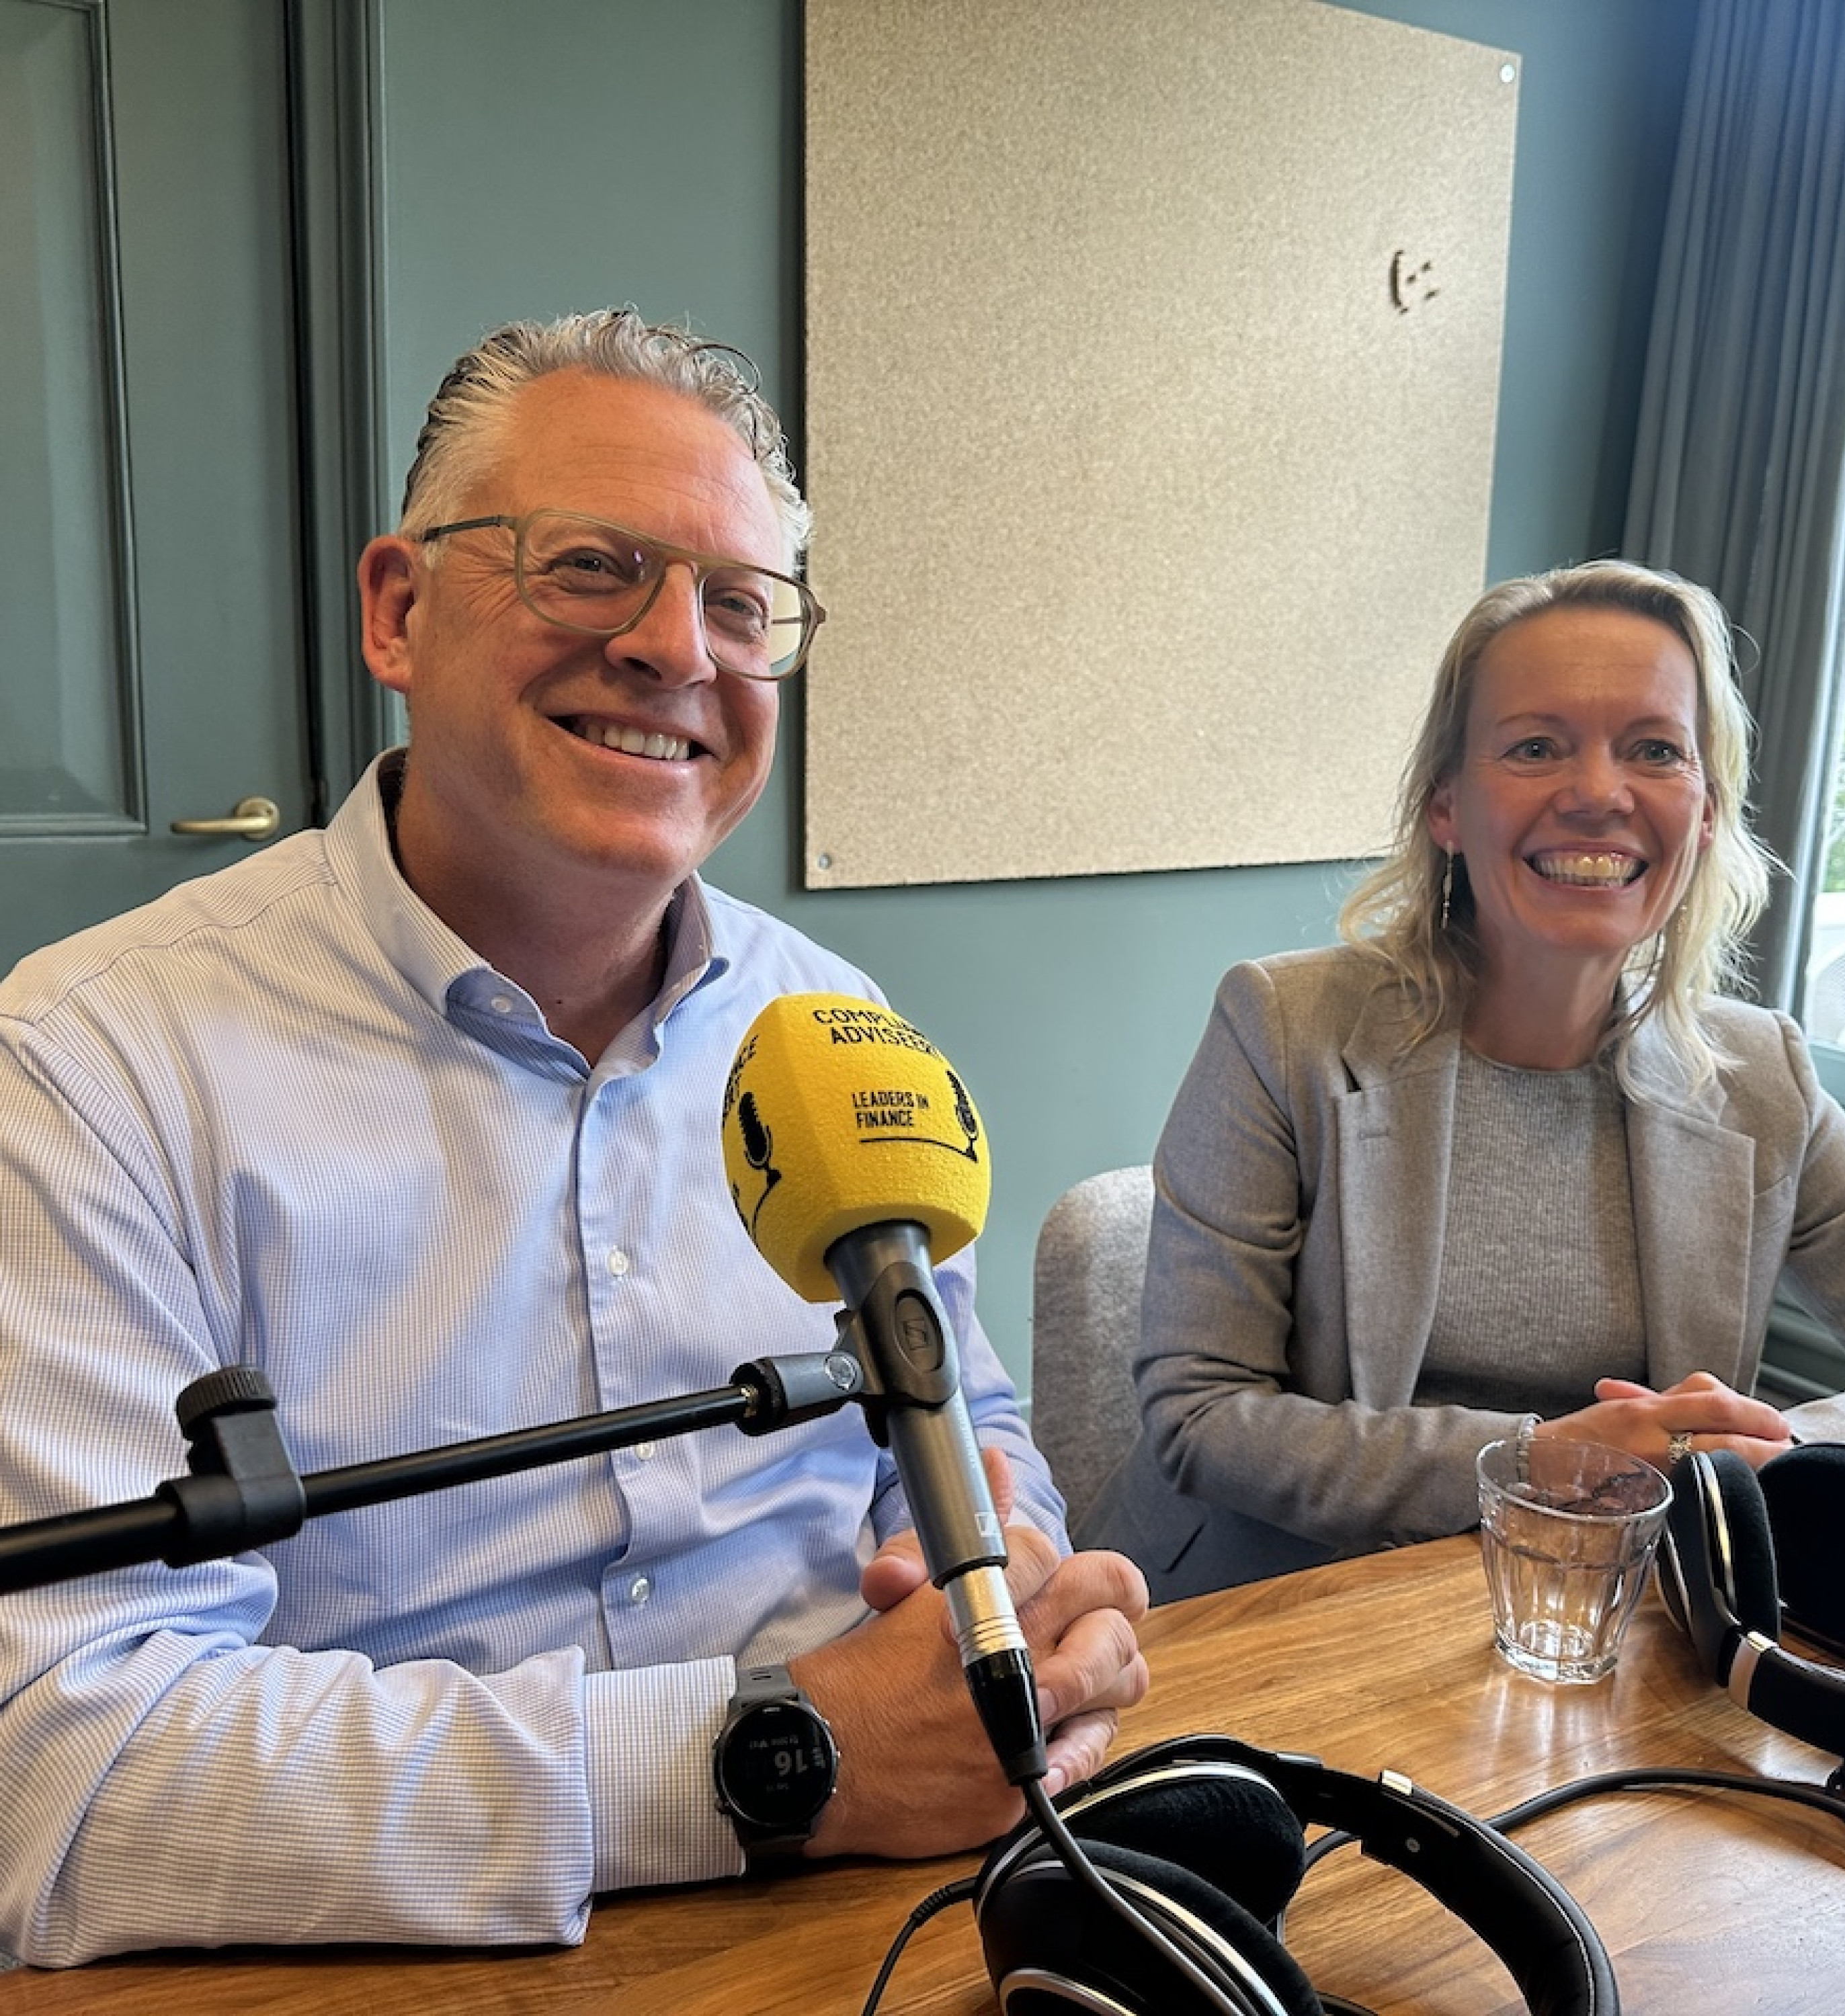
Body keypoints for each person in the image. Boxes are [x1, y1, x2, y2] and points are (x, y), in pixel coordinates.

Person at [0, 308, 1148, 1966]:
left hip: (896, 1910)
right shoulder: (86, 1067)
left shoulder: (835, 1026)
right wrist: (783, 1759)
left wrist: (1001, 1581)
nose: (677, 649)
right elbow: (69, 1769)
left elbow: (963, 1415)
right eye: (592, 567)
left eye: (740, 605)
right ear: (398, 611)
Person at [1082, 557, 1845, 1603]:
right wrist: (1539, 1462)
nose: (1599, 795)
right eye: (1536, 747)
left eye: (1656, 750)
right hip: (1284, 1605)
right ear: (1446, 806)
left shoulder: (1762, 1077)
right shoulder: (1282, 1028)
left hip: (1611, 1616)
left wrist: (1785, 1457)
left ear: (1707, 812)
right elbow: (1202, 1416)